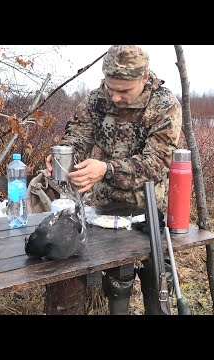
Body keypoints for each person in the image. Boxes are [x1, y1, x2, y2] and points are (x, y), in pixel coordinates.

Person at [45, 45, 183, 315]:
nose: (116, 97)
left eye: (124, 91)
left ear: (144, 79)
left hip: (149, 211)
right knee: (116, 279)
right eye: (111, 89)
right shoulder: (97, 99)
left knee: (156, 275)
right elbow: (79, 134)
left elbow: (156, 163)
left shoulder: (164, 106)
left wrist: (105, 169)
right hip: (106, 210)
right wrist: (63, 156)